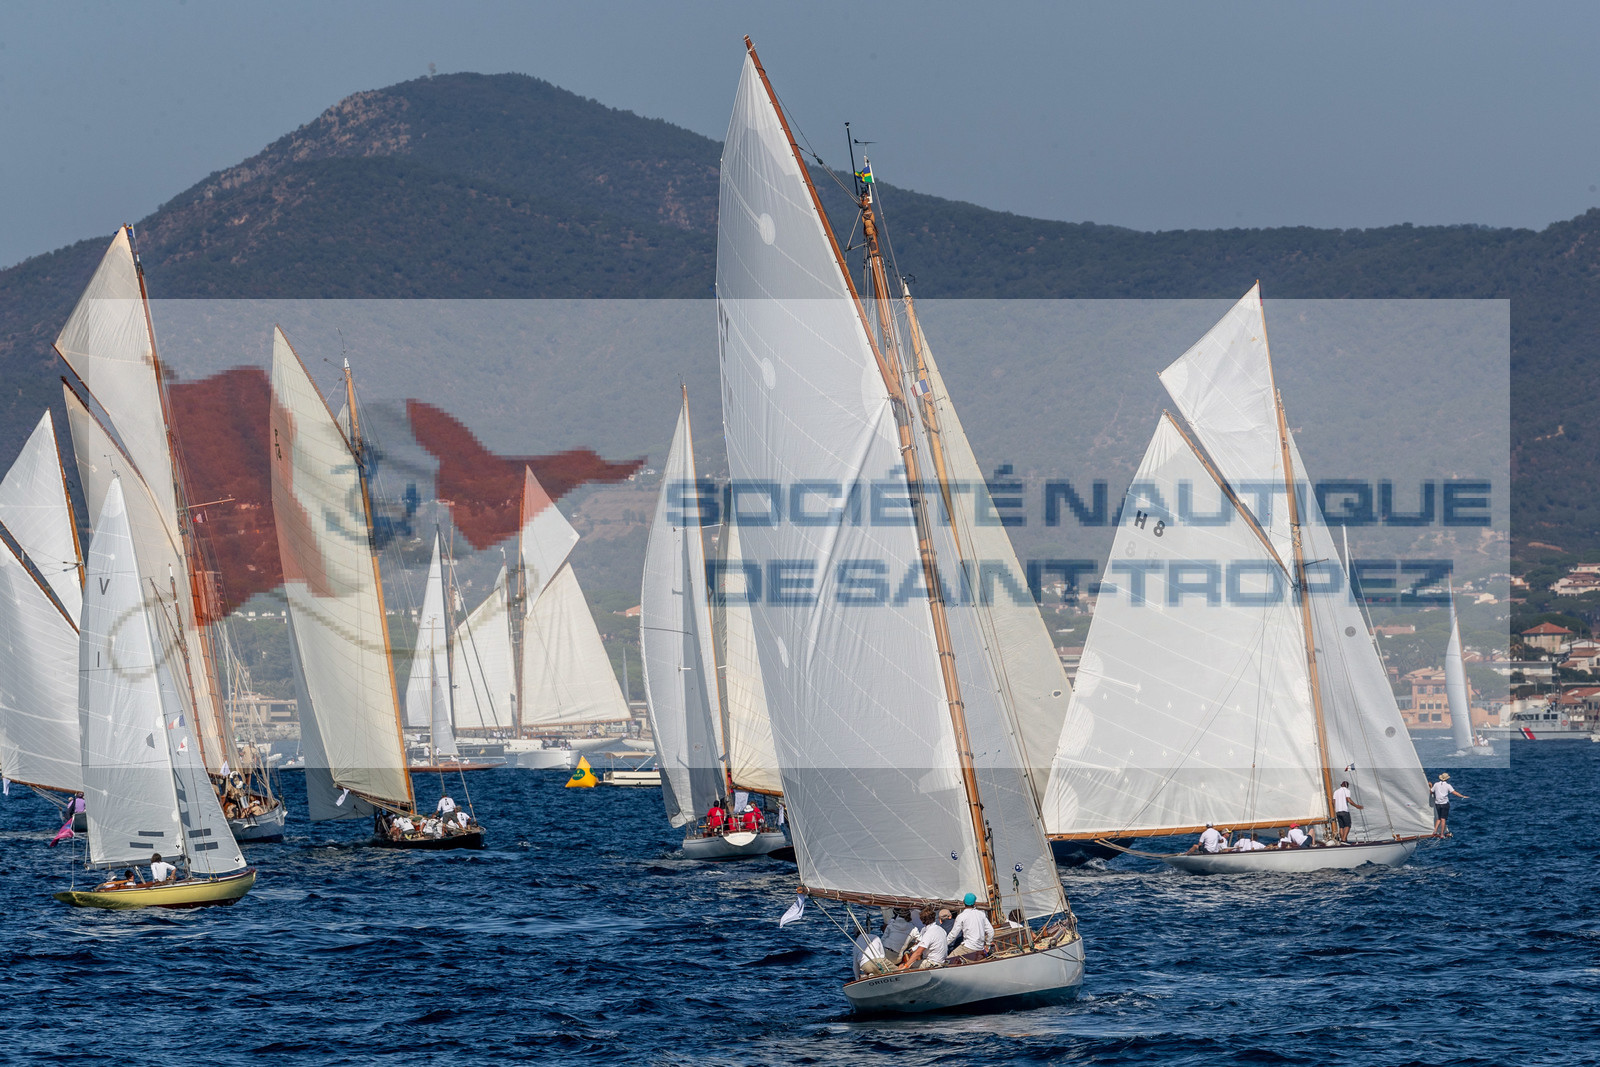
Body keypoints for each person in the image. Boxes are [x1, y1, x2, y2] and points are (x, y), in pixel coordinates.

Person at [948, 893, 994, 961]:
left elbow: (953, 935)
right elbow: (991, 931)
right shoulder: (981, 914)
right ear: (974, 903)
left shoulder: (961, 916)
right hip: (980, 947)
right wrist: (988, 944)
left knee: (949, 960)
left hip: (967, 947)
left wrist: (944, 943)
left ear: (963, 902)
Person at [1430, 773, 1469, 837]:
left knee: (1438, 818)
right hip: (1444, 804)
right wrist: (1462, 796)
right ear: (1447, 779)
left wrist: (1430, 786)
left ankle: (1435, 831)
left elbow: (1431, 791)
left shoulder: (1436, 784)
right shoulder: (1448, 785)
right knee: (1443, 819)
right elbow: (1454, 793)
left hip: (1437, 804)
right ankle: (1442, 834)